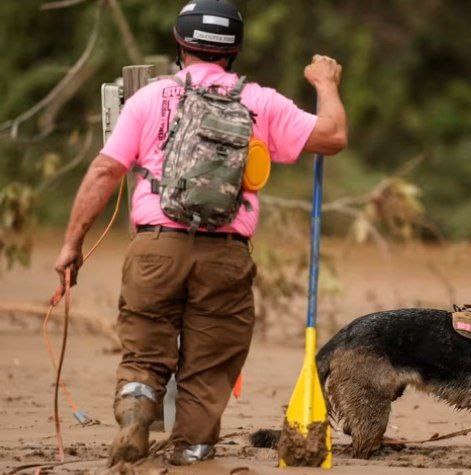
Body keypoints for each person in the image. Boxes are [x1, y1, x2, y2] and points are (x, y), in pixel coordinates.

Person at [52, 0, 346, 466]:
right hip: (225, 256)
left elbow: (105, 170)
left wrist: (72, 244)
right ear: (235, 51)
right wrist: (326, 84)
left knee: (145, 346)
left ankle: (136, 410)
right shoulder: (259, 101)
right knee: (209, 366)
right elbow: (332, 136)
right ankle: (191, 447)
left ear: (180, 43)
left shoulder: (150, 97)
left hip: (154, 248)